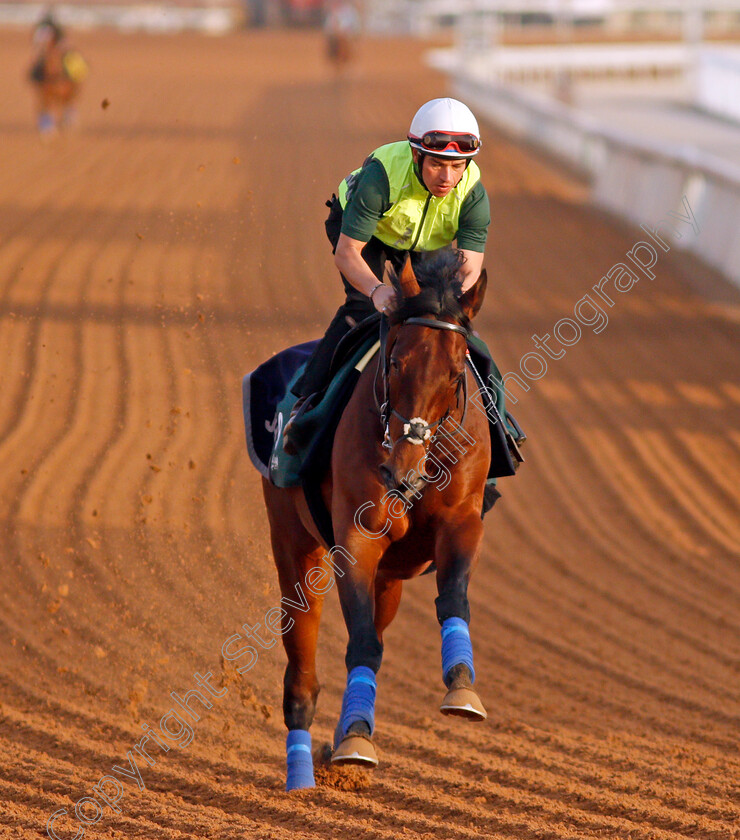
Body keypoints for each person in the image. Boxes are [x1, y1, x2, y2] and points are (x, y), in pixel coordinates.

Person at [283, 97, 490, 453]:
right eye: (438, 164)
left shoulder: (473, 193)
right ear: (416, 156)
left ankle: (500, 427)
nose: (447, 178)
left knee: (448, 331)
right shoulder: (381, 177)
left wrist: (448, 312)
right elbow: (347, 254)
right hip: (366, 237)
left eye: (457, 167)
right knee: (363, 308)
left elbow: (469, 266)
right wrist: (377, 290)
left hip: (424, 246)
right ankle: (306, 406)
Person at [29, 10, 88, 137]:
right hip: (45, 53)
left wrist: (60, 49)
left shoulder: (57, 30)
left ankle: (75, 79)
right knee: (37, 67)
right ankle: (37, 79)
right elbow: (36, 43)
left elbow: (65, 42)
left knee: (73, 63)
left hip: (60, 51)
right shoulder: (40, 29)